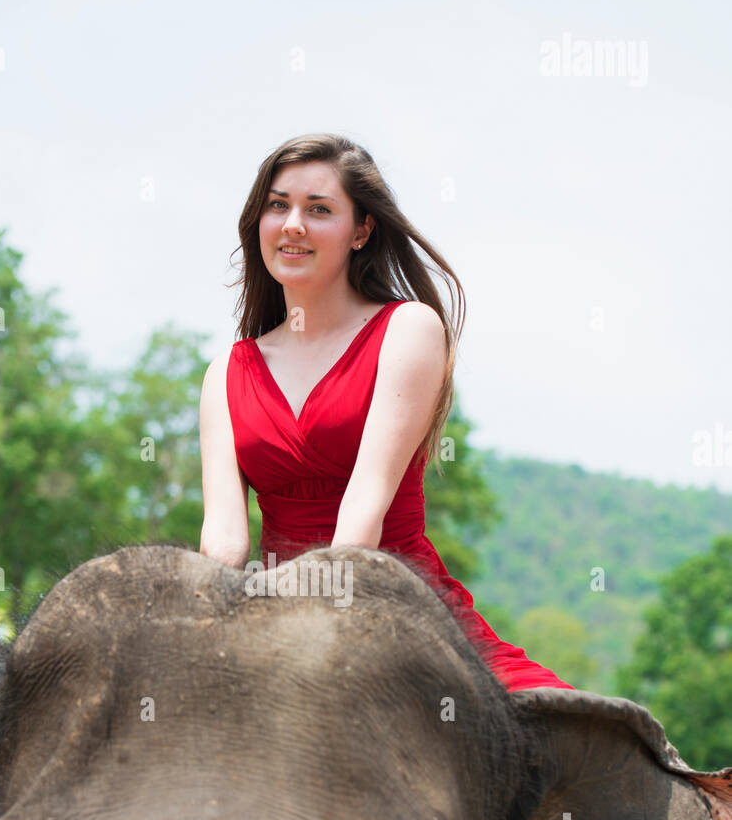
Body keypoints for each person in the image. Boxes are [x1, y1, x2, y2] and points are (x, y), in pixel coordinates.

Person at [198, 132, 574, 693]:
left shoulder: (408, 329)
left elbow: (361, 517)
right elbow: (224, 543)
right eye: (278, 205)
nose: (293, 224)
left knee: (560, 735)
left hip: (400, 606)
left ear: (361, 230)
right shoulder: (226, 373)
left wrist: (318, 624)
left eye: (319, 209)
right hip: (272, 614)